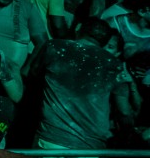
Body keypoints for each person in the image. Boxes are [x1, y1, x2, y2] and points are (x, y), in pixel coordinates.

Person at [33, 18, 135, 153]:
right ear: (104, 41)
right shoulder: (114, 64)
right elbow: (124, 111)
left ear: (78, 29)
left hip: (52, 139)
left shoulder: (55, 47)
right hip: (89, 147)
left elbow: (32, 76)